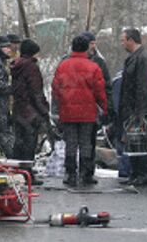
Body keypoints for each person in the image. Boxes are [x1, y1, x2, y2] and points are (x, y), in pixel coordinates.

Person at [52, 35, 107, 187]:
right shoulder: (93, 67)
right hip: (87, 112)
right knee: (85, 144)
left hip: (68, 111)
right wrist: (104, 107)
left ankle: (70, 174)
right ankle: (85, 174)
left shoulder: (63, 66)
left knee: (71, 143)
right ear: (86, 48)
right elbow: (99, 91)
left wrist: (59, 106)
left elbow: (56, 88)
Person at [118, 28, 147, 187]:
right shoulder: (135, 58)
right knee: (134, 143)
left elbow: (144, 86)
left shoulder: (144, 59)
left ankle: (143, 174)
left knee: (142, 142)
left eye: (123, 40)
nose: (122, 43)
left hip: (140, 109)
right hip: (133, 108)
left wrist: (139, 111)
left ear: (131, 40)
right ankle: (136, 173)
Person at [11, 38, 49, 185]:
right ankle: (27, 175)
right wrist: (44, 110)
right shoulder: (31, 68)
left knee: (19, 144)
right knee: (29, 145)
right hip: (30, 112)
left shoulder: (16, 66)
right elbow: (36, 92)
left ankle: (16, 174)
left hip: (18, 110)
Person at [79, 31, 113, 185]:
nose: (94, 46)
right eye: (91, 43)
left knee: (88, 142)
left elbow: (106, 86)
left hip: (89, 110)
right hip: (85, 109)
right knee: (80, 142)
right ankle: (79, 172)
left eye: (94, 43)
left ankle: (85, 171)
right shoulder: (96, 62)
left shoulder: (99, 61)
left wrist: (107, 108)